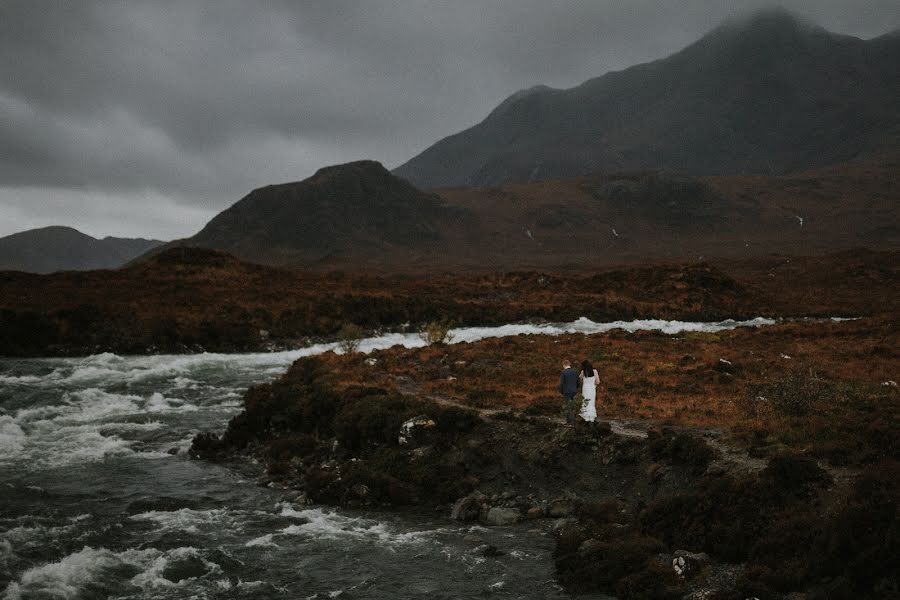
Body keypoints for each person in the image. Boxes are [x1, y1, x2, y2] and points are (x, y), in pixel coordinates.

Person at [558, 359, 579, 424]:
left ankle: (569, 421)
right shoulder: (575, 371)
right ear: (569, 364)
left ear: (564, 365)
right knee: (573, 406)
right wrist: (576, 388)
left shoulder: (563, 372)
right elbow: (578, 381)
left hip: (567, 391)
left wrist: (561, 391)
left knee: (568, 406)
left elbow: (561, 383)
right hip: (574, 391)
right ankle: (574, 419)